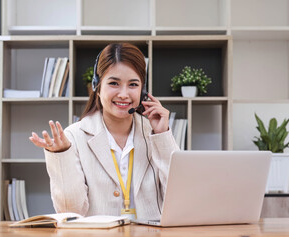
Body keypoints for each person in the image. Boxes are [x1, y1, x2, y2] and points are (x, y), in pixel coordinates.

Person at [29, 43, 179, 220]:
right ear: (97, 87)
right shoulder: (74, 137)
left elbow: (179, 200)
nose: (124, 94)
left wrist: (162, 136)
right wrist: (62, 155)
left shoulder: (154, 134)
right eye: (114, 83)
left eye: (133, 84)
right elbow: (71, 212)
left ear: (143, 91)